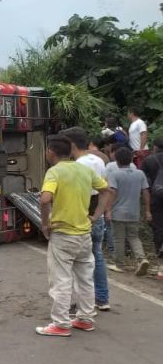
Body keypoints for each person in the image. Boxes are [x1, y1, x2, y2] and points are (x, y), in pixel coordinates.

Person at [37, 135, 110, 337]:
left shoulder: (54, 172)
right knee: (85, 279)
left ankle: (61, 323)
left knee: (61, 279)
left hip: (63, 234)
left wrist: (45, 224)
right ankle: (85, 319)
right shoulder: (85, 170)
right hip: (84, 233)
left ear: (50, 152)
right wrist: (96, 215)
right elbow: (106, 191)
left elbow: (45, 199)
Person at [60, 126, 111, 311]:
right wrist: (99, 214)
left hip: (83, 213)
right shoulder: (98, 160)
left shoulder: (78, 165)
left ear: (72, 144)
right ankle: (102, 298)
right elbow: (105, 188)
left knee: (78, 262)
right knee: (97, 257)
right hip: (97, 211)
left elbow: (75, 193)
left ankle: (81, 303)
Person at [107, 146, 151, 276]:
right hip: (134, 211)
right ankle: (141, 259)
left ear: (117, 160)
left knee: (118, 239)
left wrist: (108, 210)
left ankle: (119, 263)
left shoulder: (114, 174)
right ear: (131, 159)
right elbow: (146, 191)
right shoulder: (140, 173)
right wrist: (147, 210)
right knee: (134, 237)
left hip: (118, 212)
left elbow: (112, 192)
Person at [105, 143, 136, 268]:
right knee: (131, 233)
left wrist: (107, 208)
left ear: (114, 153)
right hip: (131, 204)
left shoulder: (110, 166)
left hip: (114, 202)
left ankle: (115, 256)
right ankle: (130, 254)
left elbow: (106, 184)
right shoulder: (134, 166)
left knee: (112, 230)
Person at [141, 137, 163, 280]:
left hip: (156, 199)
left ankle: (160, 261)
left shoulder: (149, 161)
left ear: (154, 147)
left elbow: (144, 184)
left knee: (159, 228)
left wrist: (146, 207)